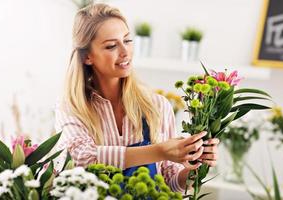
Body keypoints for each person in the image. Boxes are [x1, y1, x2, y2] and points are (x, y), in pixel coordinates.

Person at [54, 3, 219, 192]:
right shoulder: (72, 107)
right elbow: (81, 158)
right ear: (87, 57)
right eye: (111, 46)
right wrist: (159, 151)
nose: (125, 52)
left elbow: (169, 182)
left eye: (127, 40)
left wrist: (197, 167)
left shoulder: (156, 106)